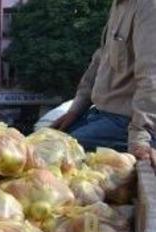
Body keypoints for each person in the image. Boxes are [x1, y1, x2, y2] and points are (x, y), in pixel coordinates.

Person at [53, 0, 156, 163]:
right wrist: (75, 110)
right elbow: (99, 61)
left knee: (55, 154)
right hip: (101, 116)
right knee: (44, 139)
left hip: (129, 123)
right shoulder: (119, 5)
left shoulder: (148, 6)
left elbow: (151, 76)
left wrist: (141, 139)